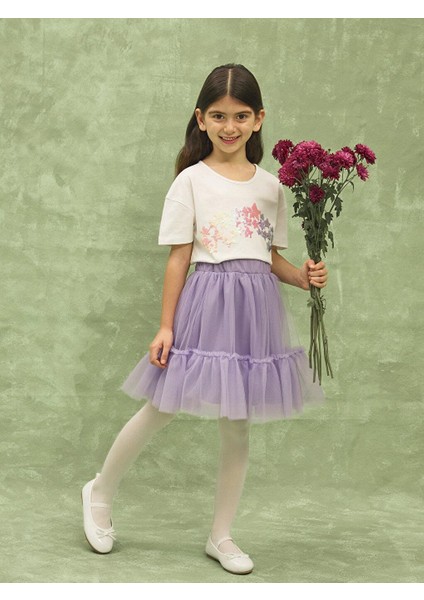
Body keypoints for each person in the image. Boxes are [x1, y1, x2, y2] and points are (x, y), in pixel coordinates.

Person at [81, 63, 328, 575]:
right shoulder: (190, 181)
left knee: (237, 426)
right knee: (161, 407)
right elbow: (179, 257)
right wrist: (166, 325)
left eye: (240, 116)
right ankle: (99, 491)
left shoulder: (272, 187)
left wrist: (304, 277)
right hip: (207, 302)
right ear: (201, 118)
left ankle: (222, 534)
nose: (229, 127)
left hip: (254, 311)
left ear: (259, 119)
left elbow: (268, 256)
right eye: (218, 116)